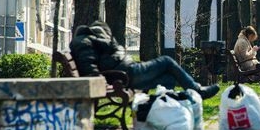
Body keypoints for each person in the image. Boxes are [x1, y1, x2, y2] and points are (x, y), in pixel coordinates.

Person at [70, 21, 220, 99]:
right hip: (126, 74)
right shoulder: (83, 42)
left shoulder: (89, 40)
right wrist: (100, 81)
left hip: (127, 71)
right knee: (167, 61)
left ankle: (162, 111)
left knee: (168, 79)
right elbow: (89, 66)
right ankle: (197, 90)